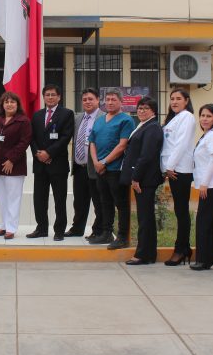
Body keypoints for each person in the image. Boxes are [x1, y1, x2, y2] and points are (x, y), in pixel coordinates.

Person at [27, 84, 74, 241]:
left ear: (59, 97)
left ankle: (59, 230)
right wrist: (38, 153)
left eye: (53, 95)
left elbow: (65, 137)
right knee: (39, 199)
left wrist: (49, 153)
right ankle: (41, 229)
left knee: (59, 199)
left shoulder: (67, 114)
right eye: (47, 95)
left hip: (58, 164)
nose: (50, 97)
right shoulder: (37, 115)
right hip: (40, 164)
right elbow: (31, 138)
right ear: (43, 97)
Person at [120, 97, 164, 264]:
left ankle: (143, 254)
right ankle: (148, 253)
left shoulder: (152, 128)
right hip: (142, 179)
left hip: (145, 180)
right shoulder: (144, 125)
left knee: (145, 218)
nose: (141, 111)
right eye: (139, 108)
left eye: (146, 108)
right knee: (145, 217)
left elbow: (146, 156)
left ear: (153, 111)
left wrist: (136, 177)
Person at [0, 92, 32, 239]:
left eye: (12, 102)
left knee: (13, 198)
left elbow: (24, 142)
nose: (9, 104)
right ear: (2, 105)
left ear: (17, 105)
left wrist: (11, 159)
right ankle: (4, 226)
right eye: (6, 102)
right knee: (2, 198)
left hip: (14, 167)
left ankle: (11, 228)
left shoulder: (23, 121)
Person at [88, 89, 134, 245]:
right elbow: (92, 142)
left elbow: (122, 145)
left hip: (115, 169)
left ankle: (122, 236)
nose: (110, 102)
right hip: (100, 169)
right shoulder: (100, 120)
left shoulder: (126, 120)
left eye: (113, 99)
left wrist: (105, 162)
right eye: (107, 99)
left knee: (120, 203)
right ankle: (106, 233)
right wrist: (96, 162)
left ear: (121, 102)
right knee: (104, 202)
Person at [161, 88, 196, 266]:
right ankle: (184, 247)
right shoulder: (175, 118)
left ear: (186, 100)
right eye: (172, 99)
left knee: (182, 212)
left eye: (178, 99)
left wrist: (169, 167)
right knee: (179, 211)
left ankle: (181, 249)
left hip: (179, 171)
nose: (174, 102)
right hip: (173, 170)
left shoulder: (187, 117)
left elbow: (181, 144)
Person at [190, 104, 213, 271]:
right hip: (207, 185)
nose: (204, 119)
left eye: (208, 116)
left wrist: (204, 183)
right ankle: (212, 258)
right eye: (202, 115)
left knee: (204, 223)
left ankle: (204, 260)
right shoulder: (207, 135)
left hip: (210, 186)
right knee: (209, 222)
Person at [66, 88, 105, 239]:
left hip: (95, 167)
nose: (87, 102)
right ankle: (77, 229)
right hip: (79, 167)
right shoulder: (78, 118)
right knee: (80, 201)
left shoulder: (104, 117)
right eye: (84, 100)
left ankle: (98, 230)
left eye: (90, 99)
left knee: (98, 201)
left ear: (97, 100)